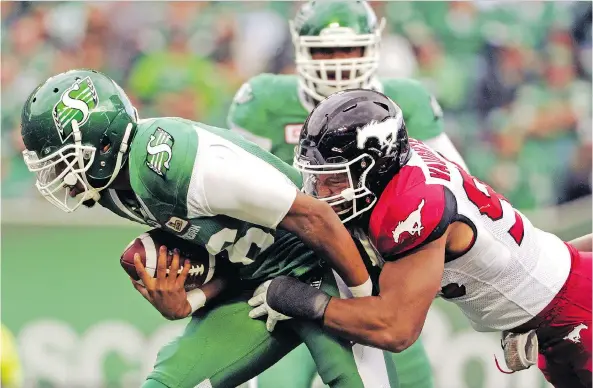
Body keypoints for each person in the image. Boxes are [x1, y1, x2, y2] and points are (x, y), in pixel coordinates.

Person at [19, 70, 400, 388]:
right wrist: (193, 301)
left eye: (65, 160)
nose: (59, 177)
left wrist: (364, 295)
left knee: (353, 380)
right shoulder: (111, 190)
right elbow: (235, 251)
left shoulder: (180, 165)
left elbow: (313, 216)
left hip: (321, 263)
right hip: (258, 286)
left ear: (102, 145)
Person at [250, 89, 592, 388]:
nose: (321, 191)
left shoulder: (412, 204)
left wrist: (303, 301)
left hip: (574, 310)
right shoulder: (401, 166)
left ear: (376, 165)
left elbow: (395, 329)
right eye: (318, 176)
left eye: (336, 178)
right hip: (561, 308)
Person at [228, 2, 466, 387]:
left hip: (376, 278)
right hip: (293, 272)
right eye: (325, 51)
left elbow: (454, 188)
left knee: (408, 379)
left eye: (349, 49)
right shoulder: (266, 100)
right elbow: (231, 188)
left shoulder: (407, 100)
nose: (337, 62)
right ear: (300, 48)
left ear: (373, 45)